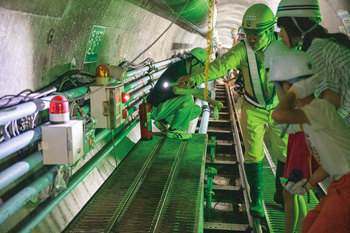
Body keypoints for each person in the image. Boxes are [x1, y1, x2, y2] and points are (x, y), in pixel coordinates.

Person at [177, 3, 288, 218]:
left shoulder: (283, 44)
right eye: (249, 33)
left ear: (269, 30)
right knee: (253, 154)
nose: (252, 38)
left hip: (279, 107)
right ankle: (256, 200)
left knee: (284, 152)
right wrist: (194, 77)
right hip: (252, 107)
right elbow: (221, 66)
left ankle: (281, 195)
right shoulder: (243, 49)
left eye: (257, 33)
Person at [269, 50, 350, 233]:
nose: (278, 94)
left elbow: (278, 115)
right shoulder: (312, 119)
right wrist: (308, 184)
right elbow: (334, 163)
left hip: (347, 186)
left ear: (288, 87)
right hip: (342, 183)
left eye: (278, 88)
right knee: (309, 224)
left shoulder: (319, 110)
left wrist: (295, 90)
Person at [266, 46, 320, 233]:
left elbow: (278, 115)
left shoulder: (302, 109)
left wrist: (290, 95)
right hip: (298, 141)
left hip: (301, 144)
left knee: (289, 193)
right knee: (293, 192)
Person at [276, 0, 350, 127]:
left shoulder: (317, 50)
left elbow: (330, 104)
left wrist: (291, 118)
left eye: (283, 27)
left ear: (296, 25)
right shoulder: (325, 43)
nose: (281, 34)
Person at [146, 47, 205, 140]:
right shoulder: (180, 69)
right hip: (153, 108)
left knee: (196, 110)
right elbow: (178, 91)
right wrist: (196, 91)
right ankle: (175, 131)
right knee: (188, 99)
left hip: (163, 107)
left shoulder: (185, 70)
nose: (200, 71)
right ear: (194, 62)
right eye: (201, 67)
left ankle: (163, 120)